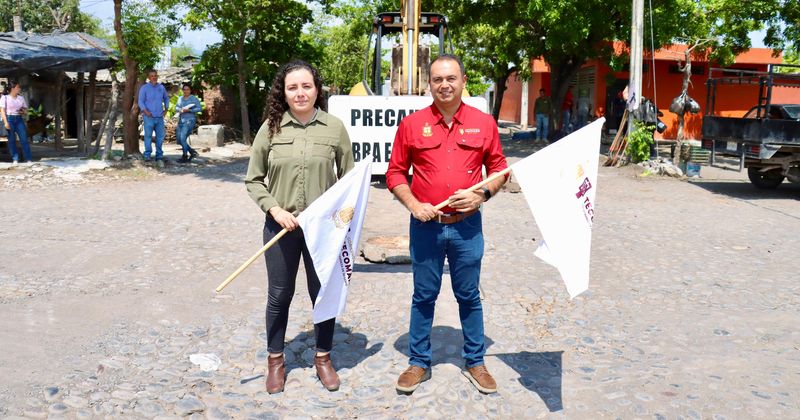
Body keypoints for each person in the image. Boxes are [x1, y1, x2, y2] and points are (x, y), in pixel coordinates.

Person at [386, 54, 508, 395]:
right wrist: (413, 204)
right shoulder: (412, 125)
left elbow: (500, 169)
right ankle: (418, 363)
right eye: (438, 79)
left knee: (468, 295)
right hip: (426, 226)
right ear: (430, 84)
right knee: (424, 295)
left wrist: (482, 195)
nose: (444, 84)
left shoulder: (484, 124)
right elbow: (395, 172)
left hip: (467, 228)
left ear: (463, 81)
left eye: (451, 78)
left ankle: (475, 361)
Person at [244, 60, 354, 394]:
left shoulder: (334, 128)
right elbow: (253, 180)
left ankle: (323, 358)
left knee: (322, 294)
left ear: (317, 89)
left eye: (306, 86)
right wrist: (275, 209)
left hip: (322, 231)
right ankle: (275, 362)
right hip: (281, 227)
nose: (300, 93)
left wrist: (339, 221)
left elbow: (349, 181)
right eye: (293, 87)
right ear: (284, 92)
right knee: (279, 294)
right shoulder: (271, 129)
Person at [138, 69, 170, 163]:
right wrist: (145, 111)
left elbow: (166, 98)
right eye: (152, 76)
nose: (154, 77)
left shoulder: (161, 87)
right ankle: (147, 155)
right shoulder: (144, 88)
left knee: (160, 137)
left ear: (157, 76)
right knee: (148, 136)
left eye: (155, 75)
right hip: (148, 117)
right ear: (148, 77)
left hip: (159, 117)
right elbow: (140, 101)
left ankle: (159, 155)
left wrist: (166, 109)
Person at [1, 80, 32, 164]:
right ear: (13, 88)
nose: (19, 88)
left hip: (19, 119)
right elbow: (2, 111)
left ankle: (28, 159)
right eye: (18, 87)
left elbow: (25, 110)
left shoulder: (21, 98)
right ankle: (15, 158)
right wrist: (6, 122)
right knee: (11, 140)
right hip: (9, 119)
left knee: (24, 139)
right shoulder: (5, 98)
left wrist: (23, 112)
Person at [174, 84, 201, 163]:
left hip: (189, 120)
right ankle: (192, 152)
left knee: (183, 138)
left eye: (187, 89)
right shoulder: (180, 98)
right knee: (179, 140)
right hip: (181, 120)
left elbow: (199, 108)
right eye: (184, 89)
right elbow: (176, 107)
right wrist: (180, 109)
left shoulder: (193, 98)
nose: (186, 91)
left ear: (190, 90)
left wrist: (189, 110)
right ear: (182, 90)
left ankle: (185, 156)